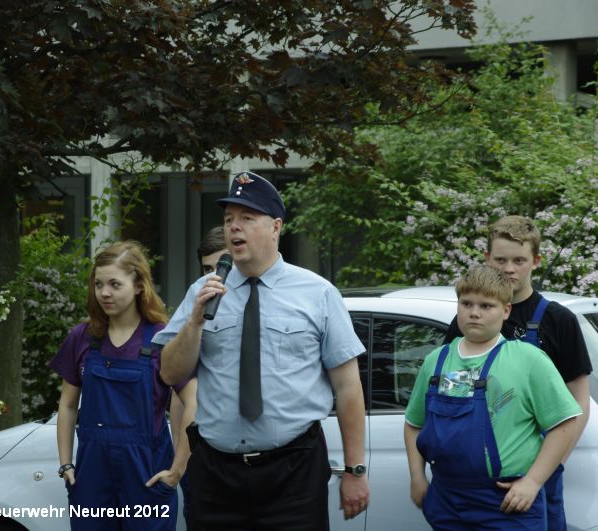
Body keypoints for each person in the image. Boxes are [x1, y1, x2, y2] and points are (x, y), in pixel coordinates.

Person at [154, 171, 370, 530]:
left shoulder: (318, 293)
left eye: (247, 218)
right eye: (228, 219)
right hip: (215, 474)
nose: (234, 227)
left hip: (294, 471)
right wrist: (194, 322)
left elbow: (348, 386)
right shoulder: (203, 291)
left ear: (275, 227)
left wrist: (355, 469)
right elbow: (169, 373)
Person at [443, 215, 592, 531]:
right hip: (474, 479)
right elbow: (453, 391)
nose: (509, 269)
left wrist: (548, 469)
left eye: (519, 261)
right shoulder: (467, 321)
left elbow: (579, 402)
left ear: (535, 261)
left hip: (537, 476)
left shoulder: (558, 320)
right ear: (487, 258)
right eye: (500, 260)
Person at [405, 265, 583, 530]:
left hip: (507, 503)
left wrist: (533, 481)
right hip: (447, 500)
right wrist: (417, 477)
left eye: (486, 306)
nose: (474, 313)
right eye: (466, 303)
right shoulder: (436, 361)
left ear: (506, 310)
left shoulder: (528, 360)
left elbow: (565, 424)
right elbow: (413, 424)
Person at [50, 240, 197, 531]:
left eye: (115, 284)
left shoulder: (162, 338)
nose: (104, 293)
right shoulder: (83, 337)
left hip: (146, 474)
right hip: (92, 476)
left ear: (139, 285)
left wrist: (177, 470)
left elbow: (194, 402)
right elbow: (67, 405)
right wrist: (66, 464)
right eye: (98, 284)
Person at [169, 226, 228, 527]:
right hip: (202, 453)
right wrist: (181, 461)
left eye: (223, 267)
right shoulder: (194, 313)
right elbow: (178, 390)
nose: (215, 278)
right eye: (207, 270)